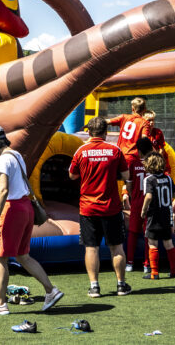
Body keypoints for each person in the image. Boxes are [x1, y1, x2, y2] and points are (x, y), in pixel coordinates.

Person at [0, 124, 64, 316]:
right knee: (23, 256)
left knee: (0, 257)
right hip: (25, 207)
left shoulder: (2, 161)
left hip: (12, 209)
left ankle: (0, 303)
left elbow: (4, 190)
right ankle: (51, 290)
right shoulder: (17, 156)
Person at [69, 117, 132, 297]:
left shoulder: (81, 151)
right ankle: (121, 285)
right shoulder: (115, 150)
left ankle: (94, 287)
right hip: (111, 207)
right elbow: (126, 175)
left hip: (88, 207)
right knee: (116, 247)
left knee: (91, 248)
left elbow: (72, 176)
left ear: (88, 132)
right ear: (105, 132)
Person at [141, 152, 175, 280]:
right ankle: (174, 271)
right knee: (169, 243)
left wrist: (143, 210)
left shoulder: (149, 179)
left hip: (154, 216)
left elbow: (149, 196)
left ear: (149, 165)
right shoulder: (168, 178)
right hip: (167, 215)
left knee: (152, 244)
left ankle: (154, 273)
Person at [125, 137, 153, 273]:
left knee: (133, 233)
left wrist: (133, 195)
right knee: (148, 233)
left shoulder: (133, 163)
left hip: (137, 202)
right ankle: (147, 264)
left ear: (139, 151)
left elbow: (129, 185)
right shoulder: (155, 164)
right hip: (152, 203)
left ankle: (129, 262)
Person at [143, 110, 171, 174]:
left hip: (159, 161)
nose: (152, 122)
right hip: (148, 162)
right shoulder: (141, 133)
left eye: (153, 120)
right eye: (149, 120)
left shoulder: (158, 132)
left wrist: (158, 160)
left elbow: (162, 148)